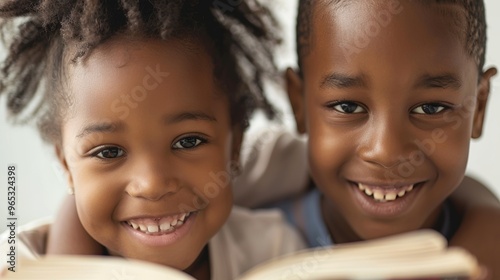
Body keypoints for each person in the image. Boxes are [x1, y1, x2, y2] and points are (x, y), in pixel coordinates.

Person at [0, 1, 305, 279]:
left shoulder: (274, 252)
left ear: (235, 144)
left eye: (188, 142)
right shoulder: (20, 264)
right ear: (66, 165)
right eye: (108, 152)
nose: (152, 184)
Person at [281, 0, 500, 276]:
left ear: (478, 107)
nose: (386, 152)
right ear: (298, 104)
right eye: (348, 107)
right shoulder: (239, 250)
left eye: (430, 108)